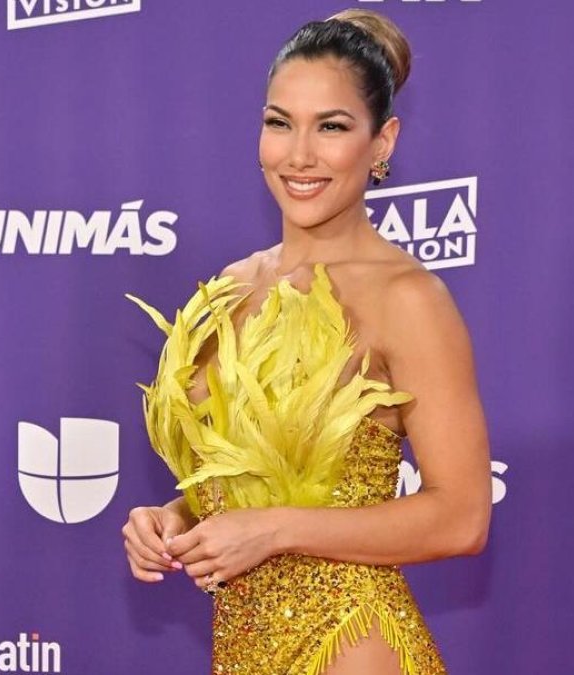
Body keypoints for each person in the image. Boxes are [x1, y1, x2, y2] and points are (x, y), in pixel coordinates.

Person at [122, 9, 491, 675]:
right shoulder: (232, 287)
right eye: (279, 122)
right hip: (246, 648)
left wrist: (276, 530)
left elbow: (462, 517)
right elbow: (254, 485)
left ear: (383, 143)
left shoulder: (408, 298)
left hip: (355, 646)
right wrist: (178, 515)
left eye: (332, 126)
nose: (298, 155)